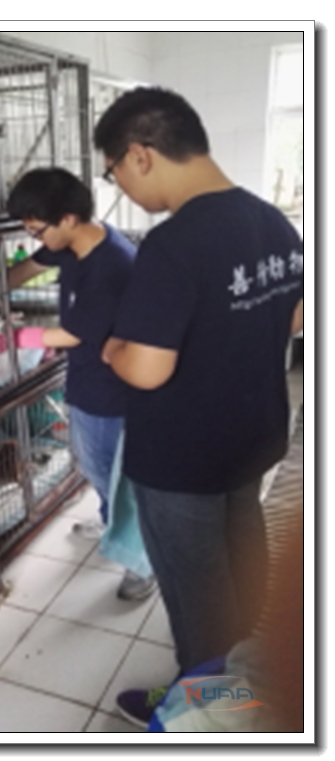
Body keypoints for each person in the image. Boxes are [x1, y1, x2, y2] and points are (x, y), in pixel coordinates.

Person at [93, 87, 304, 726]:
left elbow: (147, 369)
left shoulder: (173, 243)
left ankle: (202, 714)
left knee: (198, 599)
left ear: (140, 155)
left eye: (114, 172)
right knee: (243, 563)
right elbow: (296, 319)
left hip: (182, 460)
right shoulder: (273, 221)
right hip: (252, 438)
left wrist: (113, 348)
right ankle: (247, 684)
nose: (122, 186)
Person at [6, 167, 155, 601]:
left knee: (114, 474)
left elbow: (72, 334)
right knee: (96, 466)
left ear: (68, 218)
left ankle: (142, 560)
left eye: (37, 230)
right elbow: (31, 266)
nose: (35, 238)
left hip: (112, 389)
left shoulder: (110, 266)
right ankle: (112, 525)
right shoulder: (75, 243)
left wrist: (12, 337)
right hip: (89, 379)